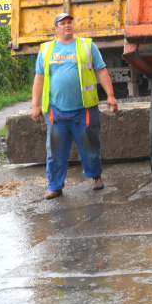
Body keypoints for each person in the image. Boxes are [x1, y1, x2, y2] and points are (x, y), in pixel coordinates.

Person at [32, 12, 119, 199]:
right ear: (55, 28)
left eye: (69, 22)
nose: (67, 26)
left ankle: (96, 177)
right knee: (54, 151)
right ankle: (55, 186)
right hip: (56, 111)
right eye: (62, 23)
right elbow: (39, 78)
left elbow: (101, 71)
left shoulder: (87, 46)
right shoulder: (46, 50)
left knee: (89, 146)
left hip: (84, 109)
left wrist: (110, 96)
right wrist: (35, 105)